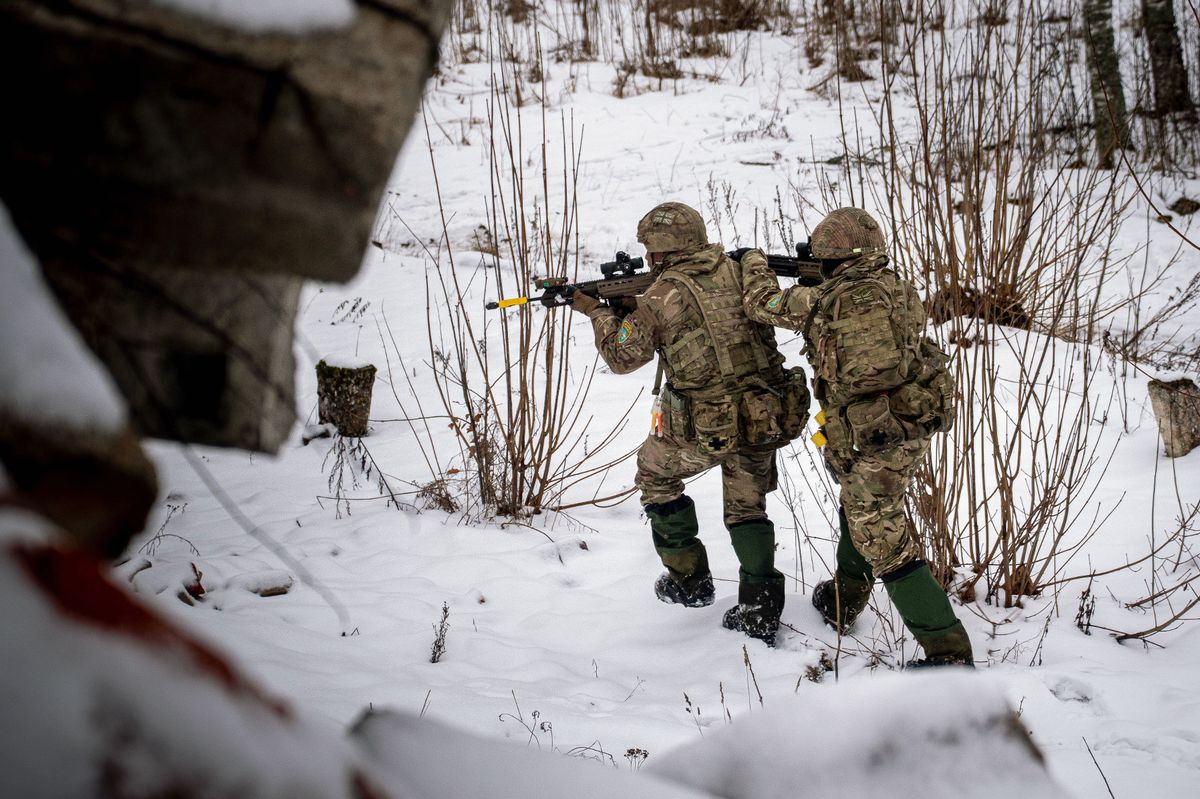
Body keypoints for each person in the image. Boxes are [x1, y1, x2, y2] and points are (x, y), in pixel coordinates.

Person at [569, 202, 809, 645]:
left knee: (655, 474)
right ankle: (760, 606)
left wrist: (597, 312)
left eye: (649, 251)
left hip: (706, 424)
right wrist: (631, 307)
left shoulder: (661, 295)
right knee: (747, 505)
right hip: (763, 412)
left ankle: (689, 580)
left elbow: (623, 356)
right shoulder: (739, 270)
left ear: (660, 251)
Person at [750, 207, 974, 667]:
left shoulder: (821, 301)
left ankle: (948, 651)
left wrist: (754, 265)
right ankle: (842, 602)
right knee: (860, 505)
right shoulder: (898, 288)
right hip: (906, 422)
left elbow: (761, 304)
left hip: (877, 434)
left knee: (881, 535)